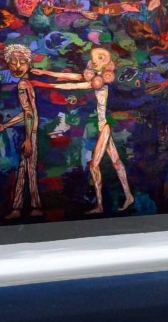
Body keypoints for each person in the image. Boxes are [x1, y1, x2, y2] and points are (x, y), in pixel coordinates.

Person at [37, 45, 134, 213]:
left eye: (100, 58)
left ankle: (100, 205)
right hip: (99, 126)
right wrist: (45, 73)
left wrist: (45, 84)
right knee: (116, 162)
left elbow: (72, 86)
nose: (95, 61)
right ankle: (127, 196)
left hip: (103, 127)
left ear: (108, 63)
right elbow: (71, 77)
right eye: (94, 57)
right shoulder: (95, 78)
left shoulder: (100, 82)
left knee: (94, 165)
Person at [0, 43, 44, 218]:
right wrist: (6, 125)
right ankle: (19, 208)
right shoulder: (27, 83)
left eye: (22, 62)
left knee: (28, 170)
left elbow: (29, 113)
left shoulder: (23, 85)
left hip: (30, 134)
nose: (17, 66)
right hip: (30, 132)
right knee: (24, 169)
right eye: (13, 62)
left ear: (29, 63)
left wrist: (29, 139)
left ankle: (34, 206)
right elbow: (27, 113)